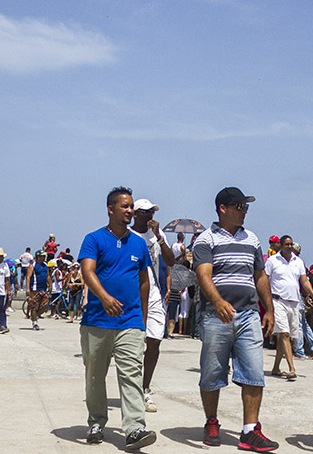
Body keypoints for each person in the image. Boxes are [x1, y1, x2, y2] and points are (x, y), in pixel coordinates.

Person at [194, 186, 278, 451]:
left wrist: (270, 310)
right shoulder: (206, 239)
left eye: (246, 207)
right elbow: (204, 275)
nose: (244, 212)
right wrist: (218, 302)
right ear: (223, 208)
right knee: (212, 373)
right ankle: (211, 421)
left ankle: (250, 430)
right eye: (240, 206)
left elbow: (260, 276)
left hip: (249, 315)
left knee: (254, 373)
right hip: (216, 316)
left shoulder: (251, 239)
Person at [78, 187, 156, 450]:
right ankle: (97, 421)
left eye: (132, 206)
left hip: (130, 322)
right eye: (125, 206)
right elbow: (87, 271)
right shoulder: (94, 239)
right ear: (111, 209)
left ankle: (134, 428)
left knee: (132, 374)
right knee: (94, 375)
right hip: (97, 321)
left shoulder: (139, 243)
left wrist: (141, 317)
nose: (130, 211)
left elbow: (144, 281)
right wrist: (104, 297)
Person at [130, 197, 176, 413]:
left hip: (154, 293)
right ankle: (132, 390)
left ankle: (144, 387)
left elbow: (170, 261)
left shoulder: (157, 235)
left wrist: (158, 237)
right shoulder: (128, 235)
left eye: (152, 212)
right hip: (133, 293)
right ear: (135, 214)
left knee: (154, 341)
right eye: (146, 212)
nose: (151, 216)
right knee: (133, 343)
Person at [264, 234, 313, 381]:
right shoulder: (272, 261)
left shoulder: (298, 261)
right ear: (280, 245)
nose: (289, 247)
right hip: (278, 301)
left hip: (294, 302)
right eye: (286, 244)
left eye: (291, 244)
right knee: (285, 335)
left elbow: (304, 281)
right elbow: (265, 280)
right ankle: (292, 368)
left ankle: (275, 368)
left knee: (285, 336)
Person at [25, 250, 50, 330]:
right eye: (42, 256)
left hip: (44, 288)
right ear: (38, 257)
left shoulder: (45, 265)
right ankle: (34, 322)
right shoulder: (32, 265)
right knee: (34, 306)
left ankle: (35, 316)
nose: (43, 258)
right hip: (35, 288)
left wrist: (50, 285)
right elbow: (28, 277)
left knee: (45, 305)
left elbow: (48, 276)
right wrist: (28, 288)